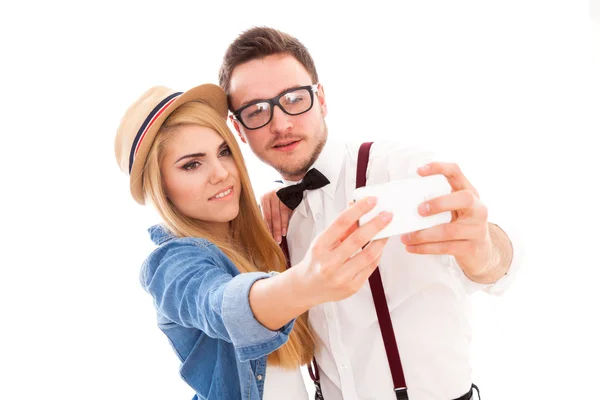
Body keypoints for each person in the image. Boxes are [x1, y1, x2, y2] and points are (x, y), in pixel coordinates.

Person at [218, 27, 522, 400]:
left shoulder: (399, 169)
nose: (281, 123)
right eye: (257, 110)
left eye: (294, 98)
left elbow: (502, 268)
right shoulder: (273, 219)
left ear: (322, 99)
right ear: (238, 128)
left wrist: (485, 249)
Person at [113, 83, 395, 400]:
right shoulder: (171, 264)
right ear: (160, 187)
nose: (221, 173)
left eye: (224, 152)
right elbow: (219, 306)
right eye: (192, 164)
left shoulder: (253, 239)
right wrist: (306, 283)